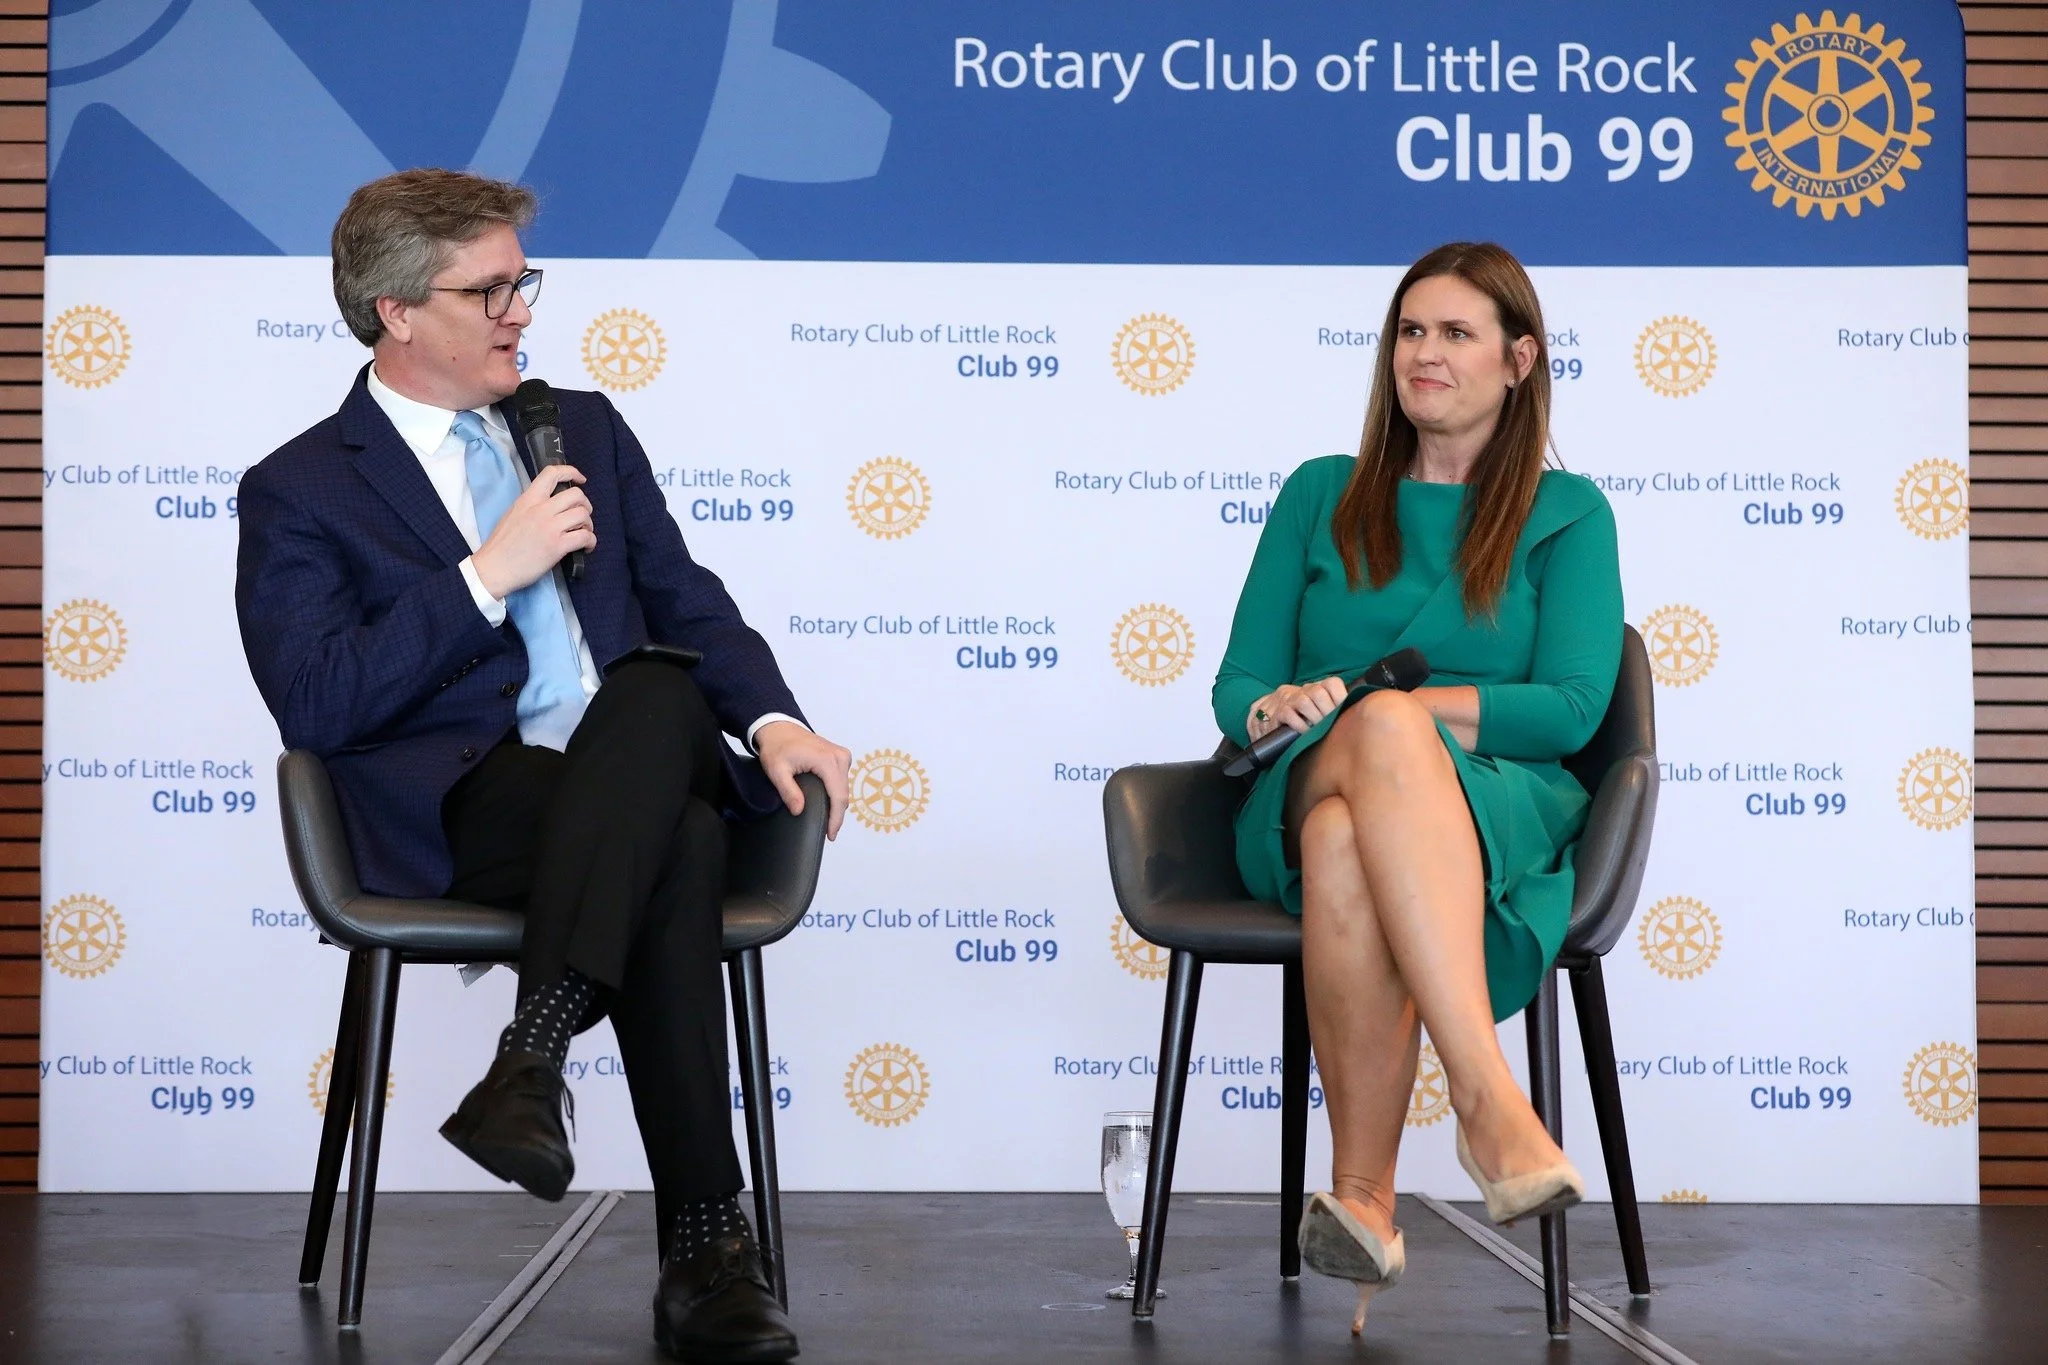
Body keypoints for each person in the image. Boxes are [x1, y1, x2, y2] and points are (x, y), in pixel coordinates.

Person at [235, 169, 849, 1364]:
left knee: (661, 694)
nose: (522, 309)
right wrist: (485, 575)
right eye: (493, 289)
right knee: (673, 838)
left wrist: (773, 720)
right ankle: (707, 1255)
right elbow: (314, 700)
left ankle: (532, 1058)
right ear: (396, 311)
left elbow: (681, 597)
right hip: (467, 801)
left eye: (526, 281)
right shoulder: (301, 488)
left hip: (623, 761)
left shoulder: (584, 429)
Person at [1212, 242, 1622, 1335]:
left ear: (1518, 358)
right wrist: (1274, 712)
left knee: (1356, 827)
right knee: (1355, 775)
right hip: (1299, 786)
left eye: (1454, 333)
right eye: (1409, 331)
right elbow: (1239, 680)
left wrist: (1386, 709)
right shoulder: (1318, 494)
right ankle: (1486, 1101)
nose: (1423, 354)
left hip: (1493, 802)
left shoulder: (1566, 512)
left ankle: (1363, 1203)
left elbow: (1576, 707)